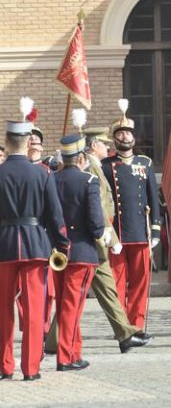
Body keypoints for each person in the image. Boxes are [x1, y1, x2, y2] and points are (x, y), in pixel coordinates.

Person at [45, 126, 151, 356]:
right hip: (93, 238)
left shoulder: (94, 166)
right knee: (76, 295)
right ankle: (59, 342)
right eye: (104, 143)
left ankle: (124, 334)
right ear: (93, 147)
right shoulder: (91, 168)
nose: (108, 147)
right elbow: (98, 208)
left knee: (102, 290)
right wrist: (109, 237)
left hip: (94, 238)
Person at [0, 120, 69, 381]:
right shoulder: (42, 173)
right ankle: (30, 368)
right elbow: (55, 215)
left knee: (2, 311)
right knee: (34, 309)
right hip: (35, 245)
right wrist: (62, 244)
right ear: (29, 142)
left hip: (3, 245)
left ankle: (4, 365)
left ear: (7, 143)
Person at [101, 101, 161, 332]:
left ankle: (137, 323)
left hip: (140, 230)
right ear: (115, 139)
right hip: (117, 232)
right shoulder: (106, 166)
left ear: (134, 138)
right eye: (121, 133)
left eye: (128, 133)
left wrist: (155, 229)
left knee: (140, 282)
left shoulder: (144, 163)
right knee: (116, 282)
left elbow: (153, 199)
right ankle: (121, 325)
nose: (125, 136)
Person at [52, 134, 106, 372]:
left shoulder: (50, 179)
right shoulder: (89, 181)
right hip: (81, 251)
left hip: (57, 251)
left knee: (65, 304)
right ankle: (66, 356)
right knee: (72, 306)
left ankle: (73, 351)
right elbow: (95, 223)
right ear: (82, 157)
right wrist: (100, 233)